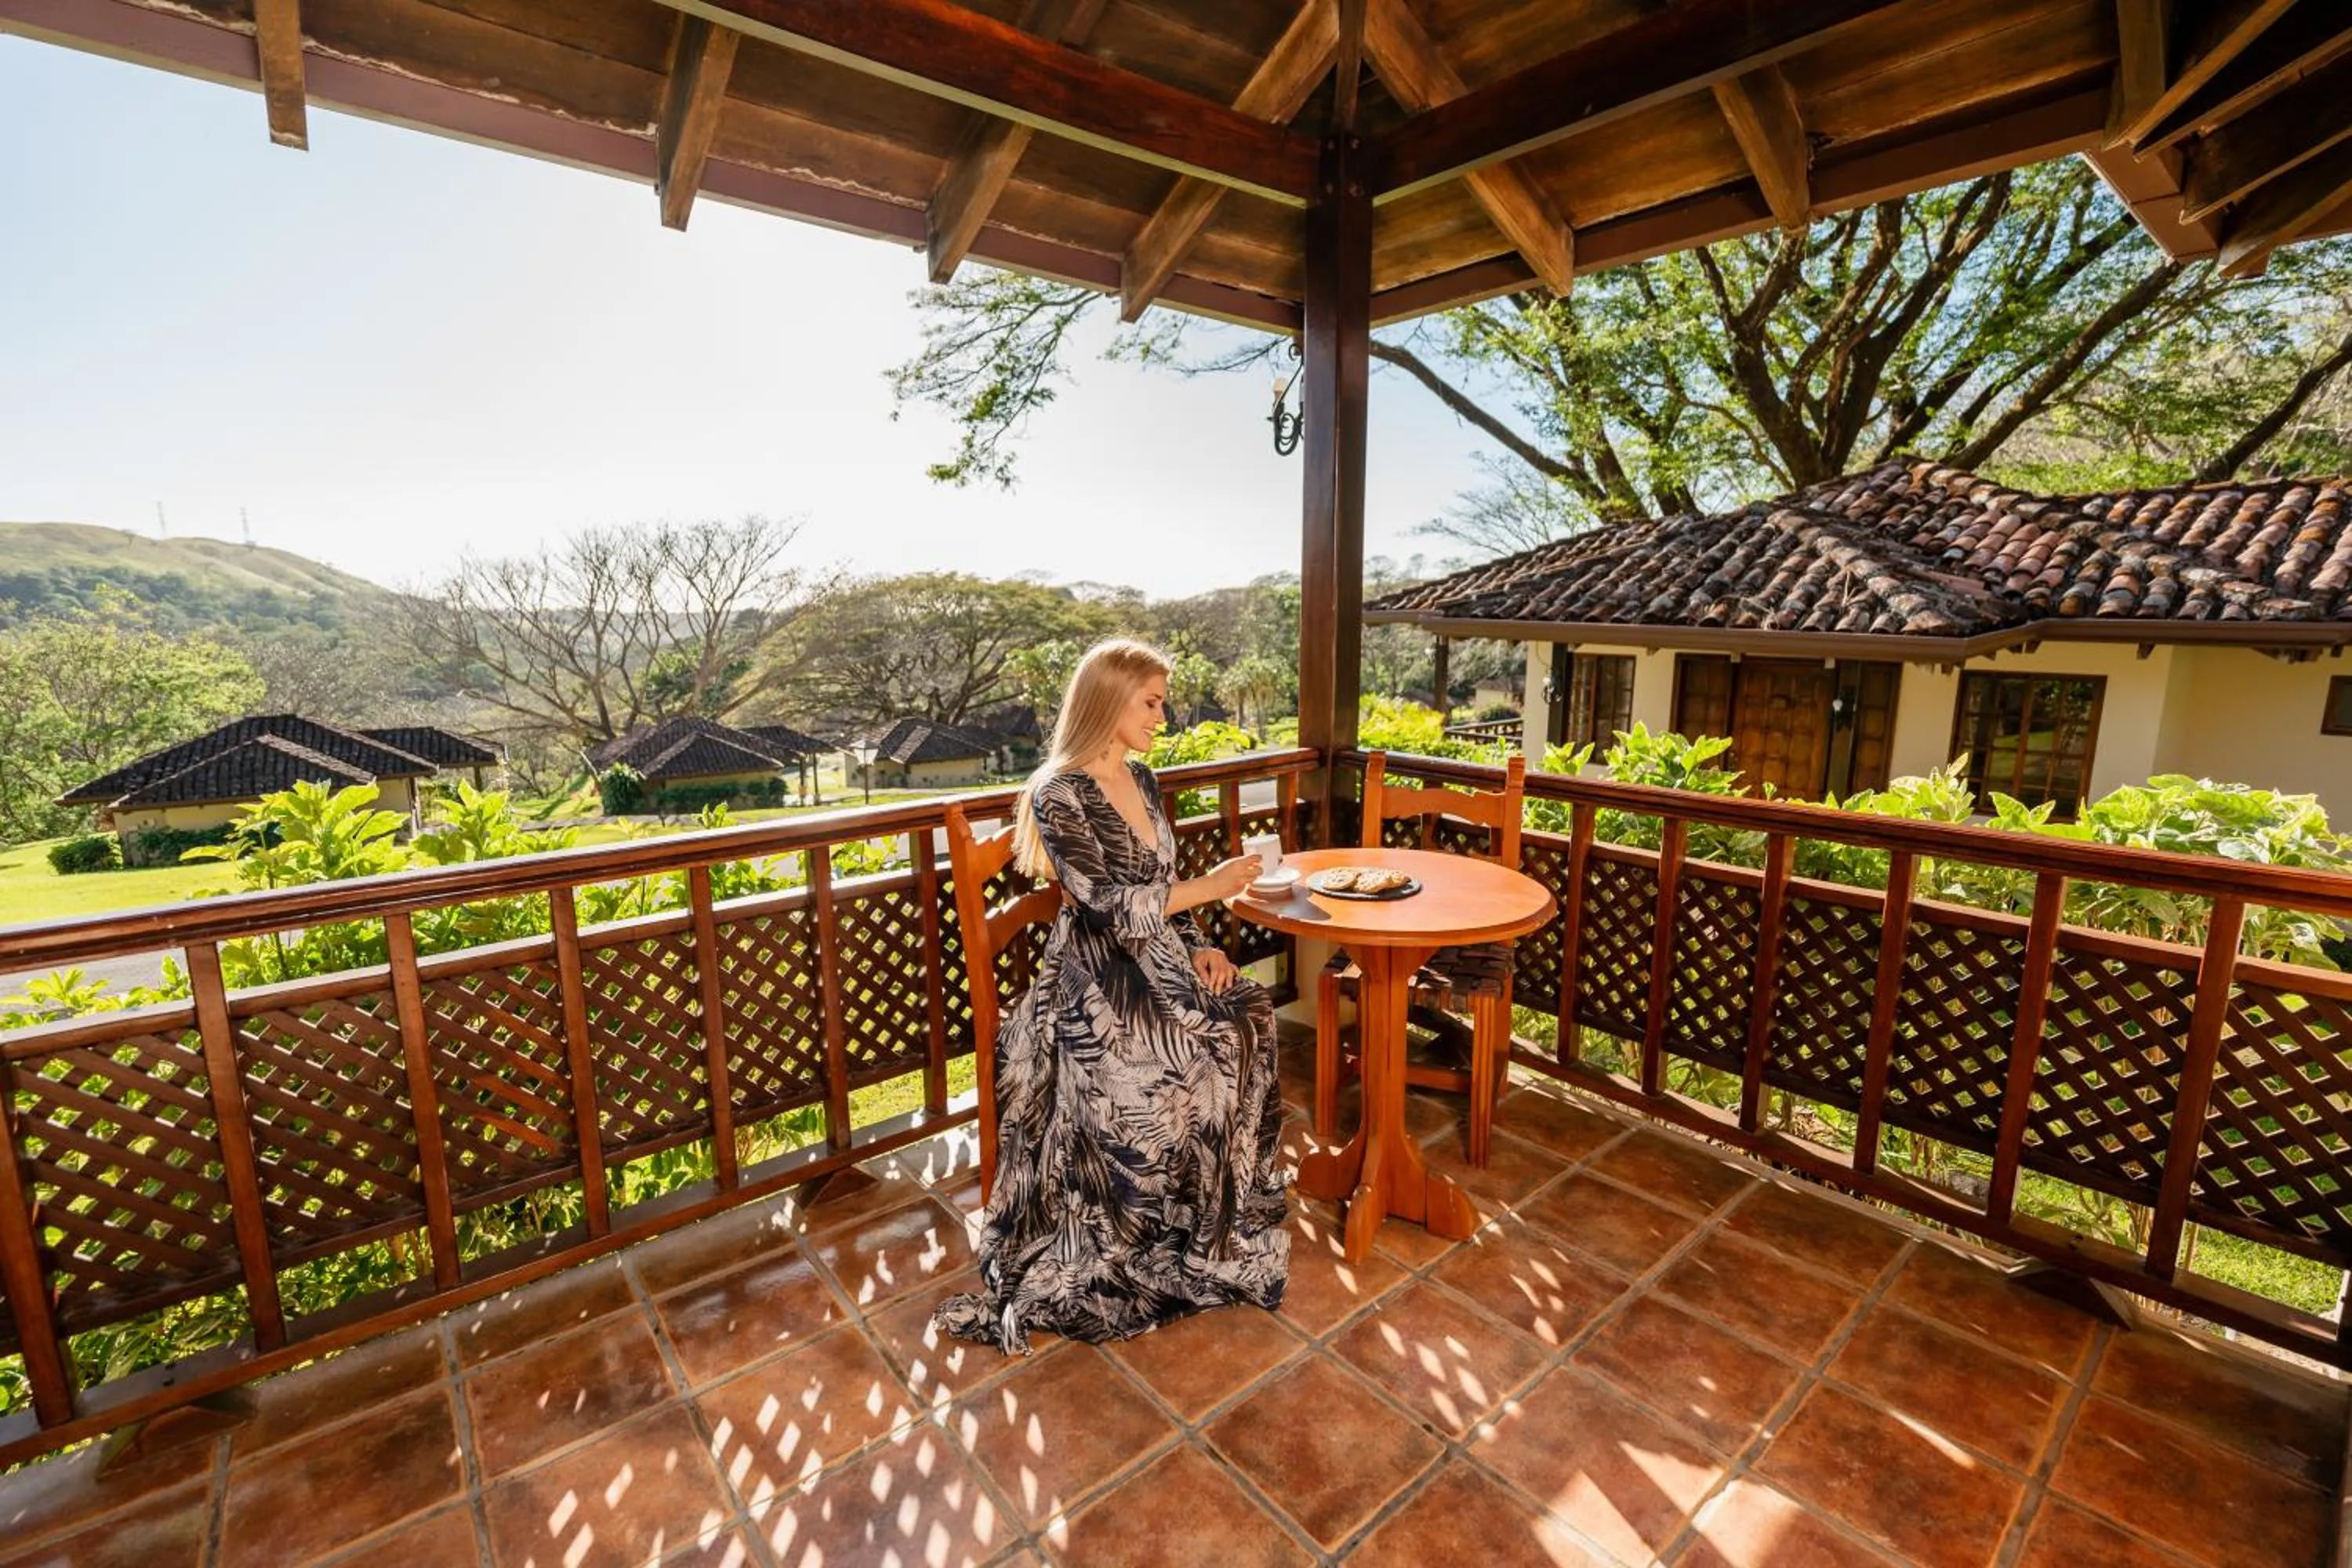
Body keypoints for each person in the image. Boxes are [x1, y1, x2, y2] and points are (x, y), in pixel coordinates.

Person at [932, 637, 1289, 1352]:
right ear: (1108, 701)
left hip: (1160, 957)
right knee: (1184, 1067)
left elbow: (1162, 894)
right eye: (1151, 702)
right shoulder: (1058, 793)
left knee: (1247, 1016)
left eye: (1162, 702)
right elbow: (1105, 903)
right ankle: (1144, 1233)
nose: (1163, 715)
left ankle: (1207, 1217)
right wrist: (1215, 886)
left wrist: (1203, 943)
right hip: (1096, 979)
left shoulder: (1145, 779)